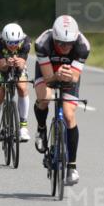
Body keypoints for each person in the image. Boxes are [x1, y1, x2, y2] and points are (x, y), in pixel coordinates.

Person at [33, 15, 91, 185]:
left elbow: (74, 77)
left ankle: (72, 167)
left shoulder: (82, 46)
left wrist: (67, 76)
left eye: (69, 44)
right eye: (60, 44)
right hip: (48, 71)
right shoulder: (42, 43)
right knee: (44, 98)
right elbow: (49, 79)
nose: (65, 47)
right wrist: (55, 76)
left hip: (69, 75)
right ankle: (41, 130)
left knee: (68, 114)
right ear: (54, 38)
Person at [0, 23, 32, 143]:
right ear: (4, 40)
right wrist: (7, 63)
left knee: (22, 88)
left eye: (16, 42)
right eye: (10, 43)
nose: (13, 46)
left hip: (17, 62)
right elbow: (2, 67)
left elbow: (23, 63)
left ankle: (23, 125)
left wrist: (19, 62)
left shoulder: (26, 42)